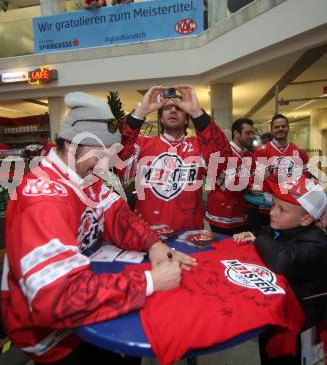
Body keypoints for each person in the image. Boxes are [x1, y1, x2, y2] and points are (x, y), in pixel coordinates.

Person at [1, 92, 196, 365]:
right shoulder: (44, 200)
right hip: (55, 338)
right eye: (100, 155)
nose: (105, 166)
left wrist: (154, 245)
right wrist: (150, 281)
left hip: (85, 308)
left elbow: (119, 217)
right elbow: (57, 299)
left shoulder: (83, 176)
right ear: (71, 144)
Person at [233, 174, 327, 364]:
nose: (272, 213)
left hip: (299, 328)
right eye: (273, 205)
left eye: (281, 209)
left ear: (306, 219)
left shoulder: (318, 244)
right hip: (275, 315)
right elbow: (266, 233)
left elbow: (282, 260)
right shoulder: (285, 226)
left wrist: (258, 239)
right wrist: (253, 234)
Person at [120, 85, 231, 231]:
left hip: (189, 235)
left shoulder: (198, 146)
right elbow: (118, 163)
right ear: (161, 119)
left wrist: (197, 113)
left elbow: (224, 166)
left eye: (179, 109)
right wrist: (140, 113)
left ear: (186, 120)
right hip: (148, 235)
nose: (173, 110)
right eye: (167, 108)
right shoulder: (142, 145)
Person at [206, 118, 255, 235]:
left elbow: (252, 182)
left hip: (241, 213)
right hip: (220, 214)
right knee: (222, 250)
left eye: (252, 133)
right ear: (236, 133)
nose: (251, 136)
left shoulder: (249, 155)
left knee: (239, 249)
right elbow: (229, 185)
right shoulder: (221, 152)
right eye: (248, 133)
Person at [255, 114, 309, 184]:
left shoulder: (300, 151)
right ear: (272, 130)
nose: (280, 129)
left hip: (294, 193)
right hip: (269, 193)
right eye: (276, 127)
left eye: (283, 126)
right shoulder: (261, 151)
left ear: (288, 128)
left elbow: (307, 173)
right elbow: (256, 177)